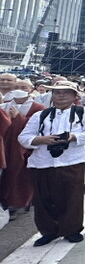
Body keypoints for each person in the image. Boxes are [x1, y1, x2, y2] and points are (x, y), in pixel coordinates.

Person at [18, 80, 85, 245]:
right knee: (43, 199)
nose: (61, 96)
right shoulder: (41, 115)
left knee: (72, 197)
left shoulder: (84, 112)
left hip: (71, 161)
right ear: (51, 95)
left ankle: (72, 230)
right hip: (42, 162)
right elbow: (23, 137)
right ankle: (48, 231)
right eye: (57, 92)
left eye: (66, 92)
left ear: (75, 96)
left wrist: (73, 137)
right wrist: (41, 139)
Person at [1, 88, 43, 218]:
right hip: (7, 145)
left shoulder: (38, 107)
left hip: (25, 148)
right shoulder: (4, 105)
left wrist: (19, 118)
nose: (18, 89)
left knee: (21, 176)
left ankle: (19, 203)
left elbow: (39, 126)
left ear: (30, 90)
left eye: (23, 87)